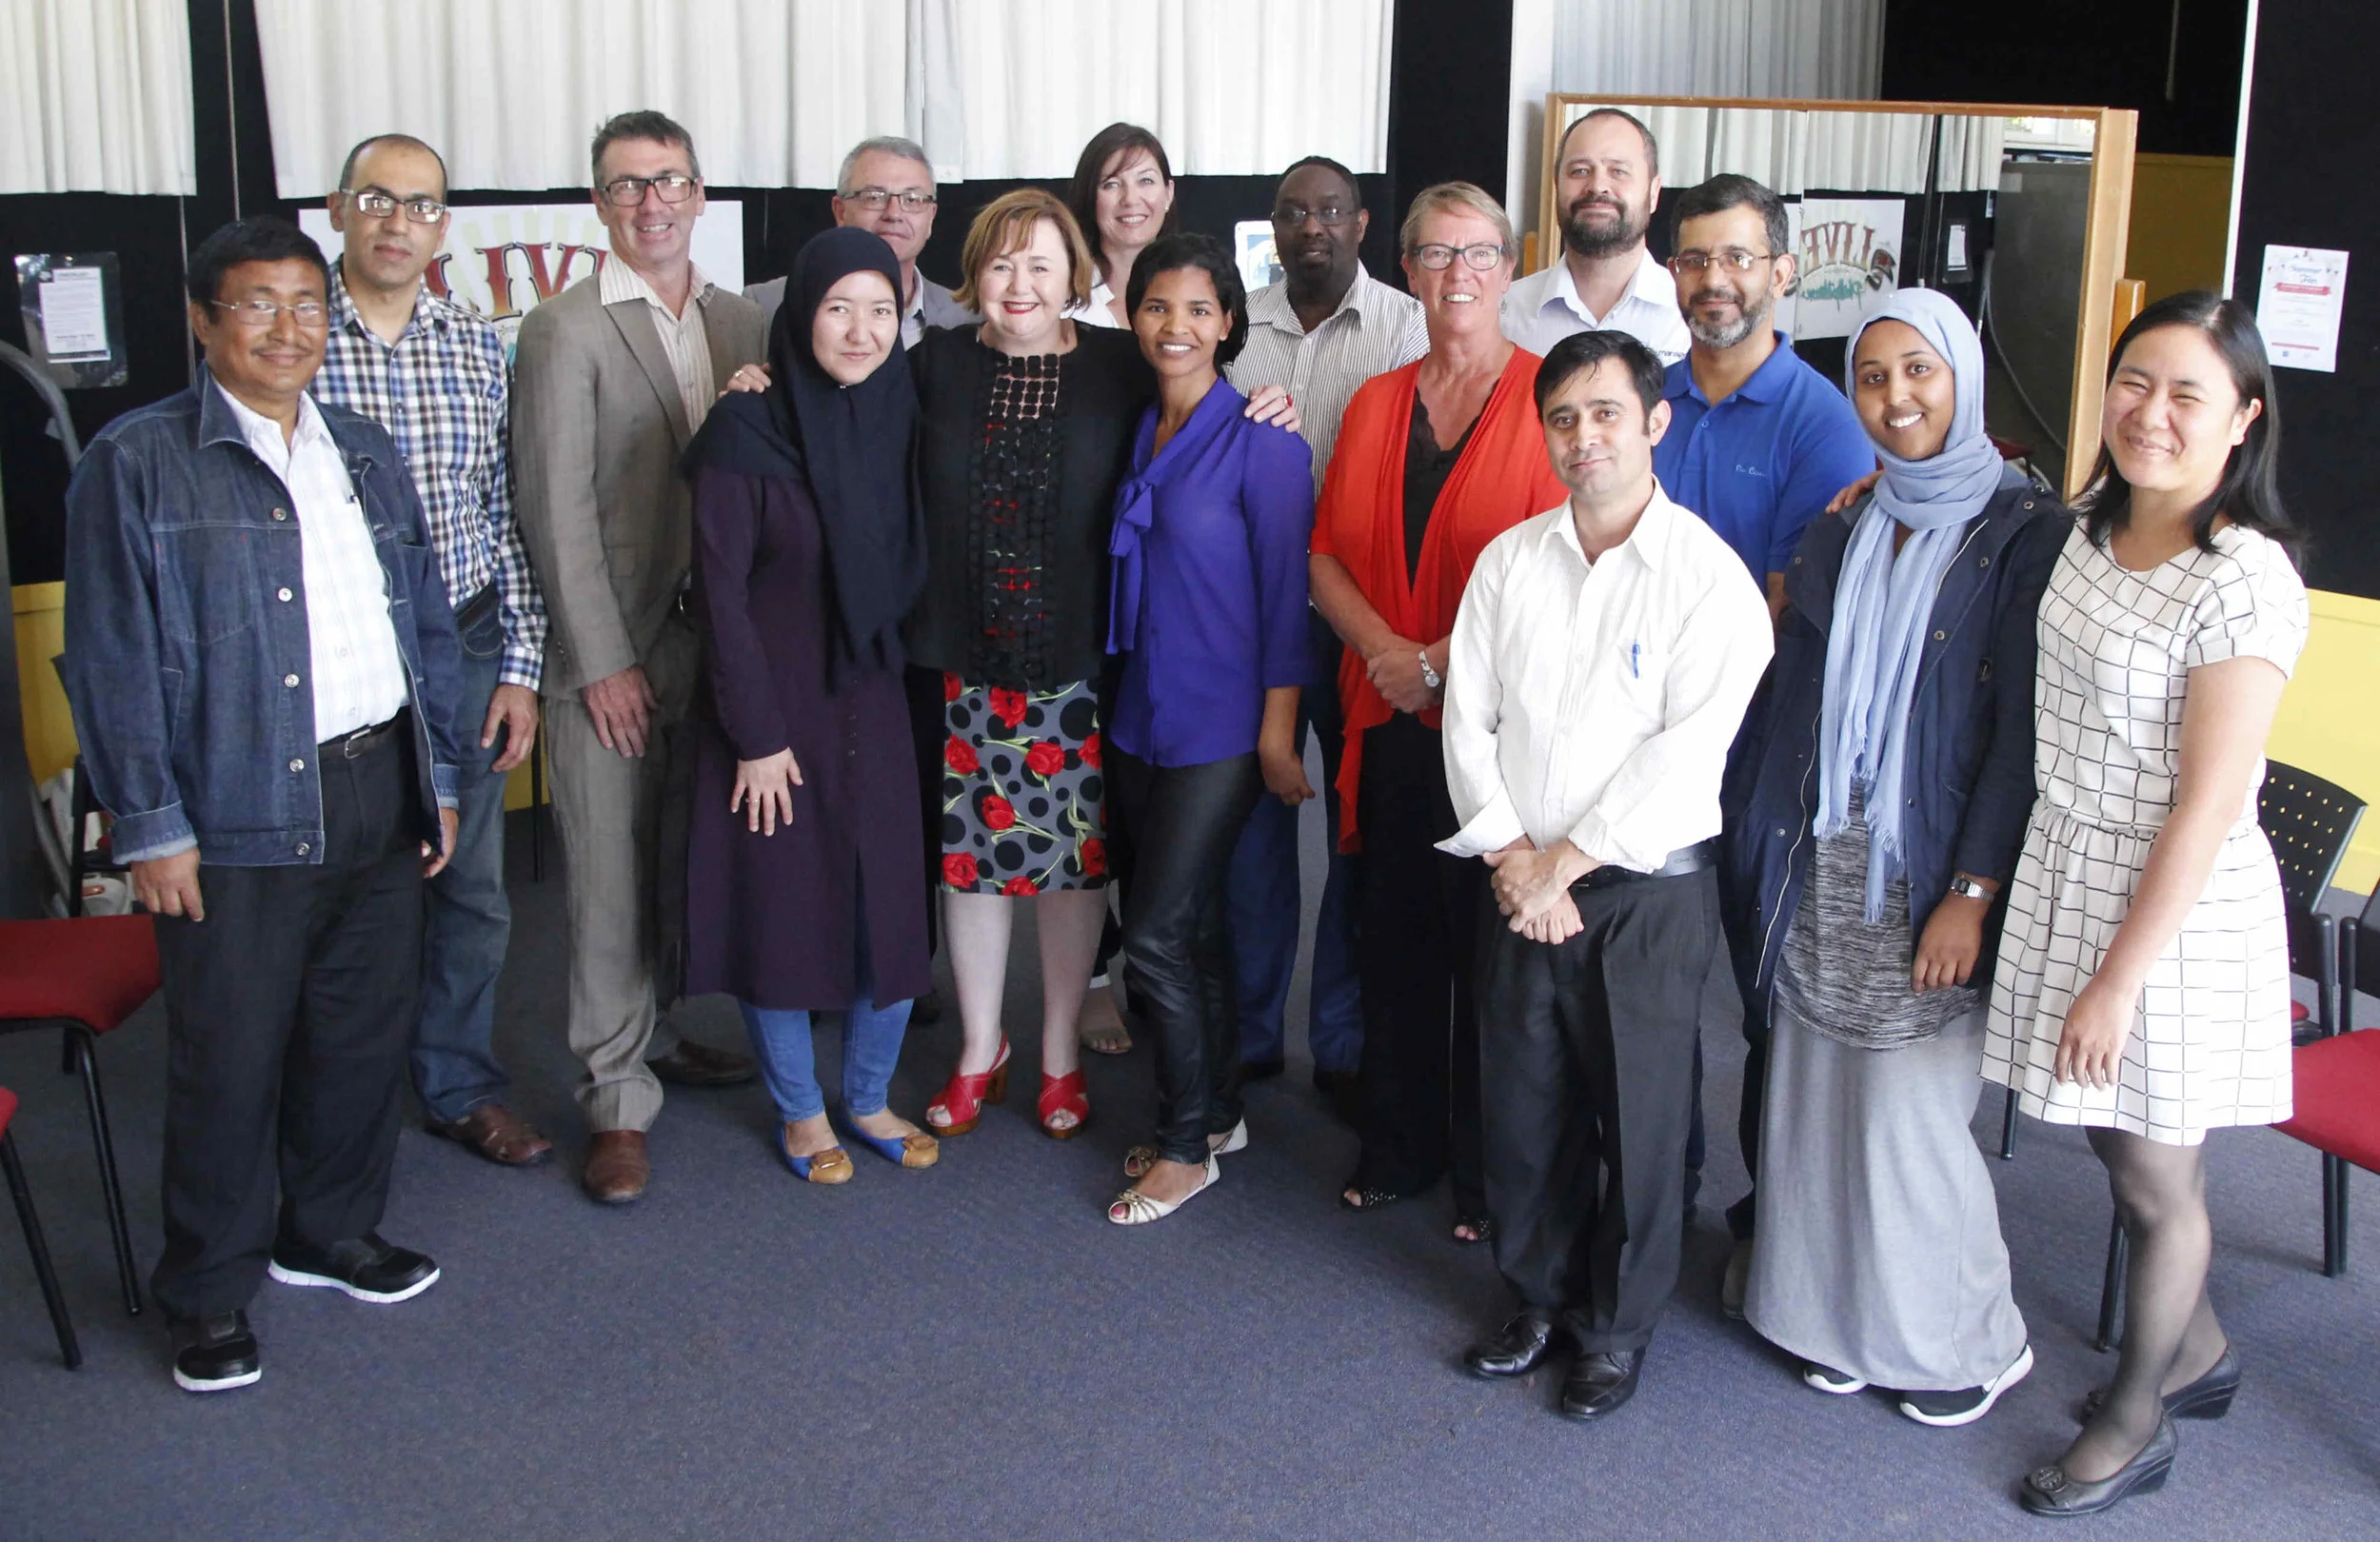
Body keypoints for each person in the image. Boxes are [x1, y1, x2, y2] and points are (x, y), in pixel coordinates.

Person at [62, 218, 466, 1394]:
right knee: (229, 1059)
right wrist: (150, 825)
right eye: (256, 305)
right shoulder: (138, 461)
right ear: (203, 321)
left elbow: (423, 623)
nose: (288, 330)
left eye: (306, 306)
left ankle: (328, 1231)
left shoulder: (365, 450)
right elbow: (111, 659)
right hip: (233, 807)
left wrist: (436, 776)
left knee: (358, 1035)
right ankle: (206, 1291)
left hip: (377, 782)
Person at [1987, 293, 2306, 1517]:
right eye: (2134, 381)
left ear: (2243, 419)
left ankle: (2136, 1422)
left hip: (2171, 904)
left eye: (2187, 394)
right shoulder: (2086, 530)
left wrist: (2117, 981)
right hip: (2069, 866)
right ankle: (2199, 1352)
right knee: (2111, 1136)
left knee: (2156, 1183)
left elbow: (2207, 808)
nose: (2150, 413)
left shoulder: (2243, 580)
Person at [1722, 289, 2065, 1426]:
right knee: (1817, 1098)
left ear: (1963, 375)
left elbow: (2016, 738)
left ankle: (1969, 1341)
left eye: (1920, 369)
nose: (1896, 396)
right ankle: (1833, 1322)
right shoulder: (1848, 523)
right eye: (1872, 377)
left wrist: (1971, 891)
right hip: (1825, 848)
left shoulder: (2023, 532)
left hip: (1928, 863)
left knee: (1907, 1118)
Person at [904, 190, 1297, 1145]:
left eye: (1040, 264)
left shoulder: (1118, 363)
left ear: (1075, 279)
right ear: (973, 275)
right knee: (972, 866)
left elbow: (1202, 373)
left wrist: (1270, 401)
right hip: (967, 660)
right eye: (1001, 264)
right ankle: (981, 1049)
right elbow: (847, 406)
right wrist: (765, 377)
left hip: (1083, 669)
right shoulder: (933, 364)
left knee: (1077, 871)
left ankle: (1062, 1057)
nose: (1019, 283)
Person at [1446, 328, 1772, 1421]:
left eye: (1605, 414)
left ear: (1654, 422)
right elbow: (1468, 721)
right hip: (1515, 882)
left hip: (1644, 893)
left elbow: (1687, 753)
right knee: (1522, 1104)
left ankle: (1616, 1328)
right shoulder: (1508, 562)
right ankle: (1535, 1298)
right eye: (1563, 419)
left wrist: (1564, 867)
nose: (1583, 437)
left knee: (1641, 1117)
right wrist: (1512, 858)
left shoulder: (1707, 580)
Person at [512, 110, 768, 1204]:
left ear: (699, 194)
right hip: (611, 648)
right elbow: (553, 509)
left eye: (668, 181)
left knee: (676, 856)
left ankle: (653, 1036)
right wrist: (600, 661)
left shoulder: (742, 322)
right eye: (626, 185)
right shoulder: (562, 330)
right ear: (599, 204)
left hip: (716, 642)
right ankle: (615, 1098)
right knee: (608, 878)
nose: (651, 202)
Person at [1309, 183, 1568, 1243]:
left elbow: (1561, 573)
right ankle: (1402, 1142)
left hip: (1503, 738)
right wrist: (1387, 656)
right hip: (1388, 718)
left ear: (1510, 267)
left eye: (1479, 253)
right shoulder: (1375, 403)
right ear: (1407, 270)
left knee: (1493, 957)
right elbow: (1324, 556)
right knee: (1396, 936)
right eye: (1436, 254)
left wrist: (1436, 664)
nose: (1458, 273)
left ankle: (1486, 1171)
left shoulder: (1552, 396)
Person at [1654, 173, 1876, 1300]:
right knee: (1650, 989)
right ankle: (1659, 1190)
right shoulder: (1645, 398)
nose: (1714, 280)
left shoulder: (1819, 421)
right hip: (1641, 750)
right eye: (1694, 259)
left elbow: (1783, 614)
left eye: (1737, 258)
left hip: (1753, 757)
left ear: (1781, 273)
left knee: (1760, 996)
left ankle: (1767, 1221)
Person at [313, 132, 552, 1169]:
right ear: (338, 208)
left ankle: (458, 1086)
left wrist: (521, 669)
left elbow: (505, 513)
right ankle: (336, 1102)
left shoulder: (473, 344)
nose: (397, 222)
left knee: (471, 889)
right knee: (349, 892)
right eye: (377, 199)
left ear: (443, 226)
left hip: (463, 642)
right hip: (338, 658)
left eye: (419, 206)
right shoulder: (292, 336)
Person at [683, 227, 939, 1183]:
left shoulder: (904, 413)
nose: (862, 331)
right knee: (782, 913)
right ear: (800, 316)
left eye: (880, 311)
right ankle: (800, 1111)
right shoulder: (744, 432)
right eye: (838, 308)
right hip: (774, 715)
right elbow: (720, 599)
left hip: (880, 701)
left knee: (892, 913)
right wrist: (756, 737)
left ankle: (867, 1098)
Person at [1102, 233, 1314, 1223]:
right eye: (1157, 306)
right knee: (1195, 929)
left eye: (1198, 308)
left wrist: (1278, 737)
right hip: (1139, 717)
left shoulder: (1267, 444)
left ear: (1231, 321)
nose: (1175, 326)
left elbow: (1284, 605)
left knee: (1152, 937)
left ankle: (1185, 1148)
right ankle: (1219, 1110)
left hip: (1221, 728)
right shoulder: (1138, 425)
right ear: (1131, 315)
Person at [1220, 155, 1427, 1105]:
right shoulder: (1237, 325)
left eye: (1331, 210)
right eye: (1295, 212)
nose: (1313, 227)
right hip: (1253, 614)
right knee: (1250, 835)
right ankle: (1251, 1031)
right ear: (1274, 226)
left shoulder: (1404, 327)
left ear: (1361, 223)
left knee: (1353, 833)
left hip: (1357, 617)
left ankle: (1342, 1041)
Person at [744, 135, 976, 346]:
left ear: (931, 217)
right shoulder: (764, 305)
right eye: (874, 197)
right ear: (840, 211)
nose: (894, 214)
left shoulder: (967, 316)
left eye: (912, 199)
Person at [1499, 108, 1688, 365]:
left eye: (1618, 171)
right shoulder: (1505, 315)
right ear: (1557, 186)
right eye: (1579, 171)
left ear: (1654, 192)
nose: (1598, 186)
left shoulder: (1689, 314)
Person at [1066, 123, 1177, 328]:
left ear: (1169, 193)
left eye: (1145, 181)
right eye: (1112, 184)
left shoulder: (1199, 289)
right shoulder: (1061, 300)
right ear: (1089, 198)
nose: (1130, 199)